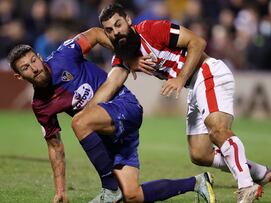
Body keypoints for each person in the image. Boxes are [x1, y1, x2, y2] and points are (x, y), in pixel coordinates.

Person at [8, 27, 215, 203]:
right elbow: (55, 147)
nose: (34, 68)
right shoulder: (40, 106)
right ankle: (198, 182)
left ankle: (109, 188)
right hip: (107, 132)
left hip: (124, 105)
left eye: (33, 60)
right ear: (18, 76)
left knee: (80, 121)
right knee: (132, 195)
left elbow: (97, 33)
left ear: (39, 57)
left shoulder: (65, 55)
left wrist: (127, 58)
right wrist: (61, 190)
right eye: (26, 68)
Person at [96, 3, 271, 203]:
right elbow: (111, 83)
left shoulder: (151, 30)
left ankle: (247, 186)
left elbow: (198, 42)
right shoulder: (125, 54)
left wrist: (180, 79)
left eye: (118, 24)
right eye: (110, 30)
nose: (115, 32)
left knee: (218, 131)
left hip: (208, 72)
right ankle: (260, 172)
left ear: (128, 20)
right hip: (194, 86)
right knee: (200, 154)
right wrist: (89, 112)